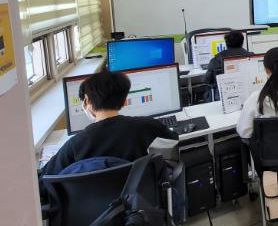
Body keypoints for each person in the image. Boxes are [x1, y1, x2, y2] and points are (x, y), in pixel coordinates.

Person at [39, 70, 178, 177]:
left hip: (92, 206)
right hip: (140, 202)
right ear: (124, 100)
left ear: (87, 101)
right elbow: (174, 142)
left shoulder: (75, 144)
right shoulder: (149, 126)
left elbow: (44, 181)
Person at [204, 30, 253, 100]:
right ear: (242, 42)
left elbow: (207, 80)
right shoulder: (252, 57)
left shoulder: (216, 59)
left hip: (222, 97)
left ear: (226, 43)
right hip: (248, 94)